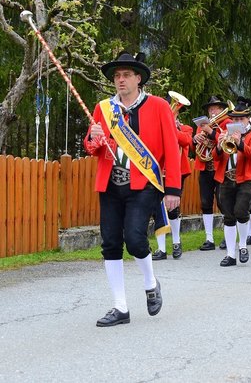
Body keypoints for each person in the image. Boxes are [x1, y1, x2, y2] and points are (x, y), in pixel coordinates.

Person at [84, 51, 181, 326]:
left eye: (126, 75)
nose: (120, 80)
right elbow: (91, 146)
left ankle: (151, 284)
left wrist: (173, 188)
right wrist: (94, 138)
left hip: (143, 185)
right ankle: (120, 307)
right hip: (110, 184)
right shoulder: (104, 108)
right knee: (111, 244)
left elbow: (172, 150)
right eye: (117, 76)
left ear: (139, 78)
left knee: (136, 238)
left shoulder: (159, 106)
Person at [212, 97, 251, 266]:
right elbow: (216, 158)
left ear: (247, 119)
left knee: (241, 211)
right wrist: (219, 146)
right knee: (228, 216)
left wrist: (240, 142)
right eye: (234, 119)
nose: (237, 121)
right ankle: (230, 254)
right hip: (226, 177)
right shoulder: (225, 133)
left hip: (245, 178)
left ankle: (243, 246)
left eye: (240, 119)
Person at [152, 92, 193, 260]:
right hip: (157, 171)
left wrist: (171, 127)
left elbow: (186, 141)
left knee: (173, 209)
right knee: (157, 209)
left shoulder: (185, 128)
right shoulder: (156, 125)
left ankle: (176, 242)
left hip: (176, 172)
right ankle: (161, 249)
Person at [194, 96, 231, 251]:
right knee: (205, 203)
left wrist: (211, 132)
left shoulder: (227, 123)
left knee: (223, 202)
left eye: (215, 108)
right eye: (210, 108)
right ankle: (209, 238)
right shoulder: (202, 124)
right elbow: (195, 145)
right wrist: (195, 138)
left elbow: (225, 143)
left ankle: (226, 236)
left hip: (219, 167)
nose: (212, 110)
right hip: (205, 167)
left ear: (222, 109)